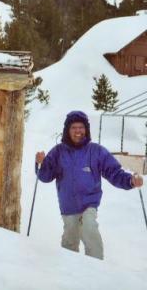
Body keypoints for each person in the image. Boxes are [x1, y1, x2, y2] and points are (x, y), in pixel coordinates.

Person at [35, 110, 144, 260]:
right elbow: (45, 176)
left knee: (89, 229)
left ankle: (96, 270)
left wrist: (130, 180)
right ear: (67, 130)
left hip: (89, 204)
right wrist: (40, 164)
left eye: (81, 127)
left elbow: (114, 172)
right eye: (74, 127)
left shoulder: (96, 151)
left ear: (86, 129)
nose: (78, 131)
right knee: (69, 240)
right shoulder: (58, 152)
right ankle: (68, 271)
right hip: (68, 207)